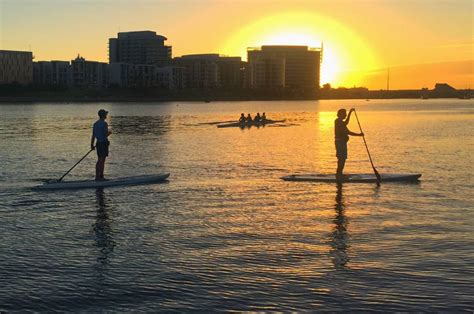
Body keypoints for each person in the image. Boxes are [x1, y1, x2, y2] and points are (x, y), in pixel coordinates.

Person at [335, 108, 363, 182]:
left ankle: (340, 174)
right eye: (345, 114)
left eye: (346, 114)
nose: (345, 115)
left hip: (343, 143)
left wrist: (359, 135)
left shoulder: (342, 123)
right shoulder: (337, 121)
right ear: (340, 114)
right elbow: (346, 124)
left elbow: (348, 131)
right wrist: (350, 112)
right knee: (341, 158)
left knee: (343, 159)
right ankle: (338, 175)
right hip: (340, 142)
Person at [91, 109, 112, 181]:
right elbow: (105, 134)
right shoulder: (104, 124)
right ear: (103, 115)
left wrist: (92, 145)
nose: (106, 115)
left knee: (99, 160)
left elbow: (93, 135)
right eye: (105, 114)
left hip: (98, 143)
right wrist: (109, 133)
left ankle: (97, 176)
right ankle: (101, 177)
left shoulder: (95, 124)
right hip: (103, 143)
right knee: (102, 160)